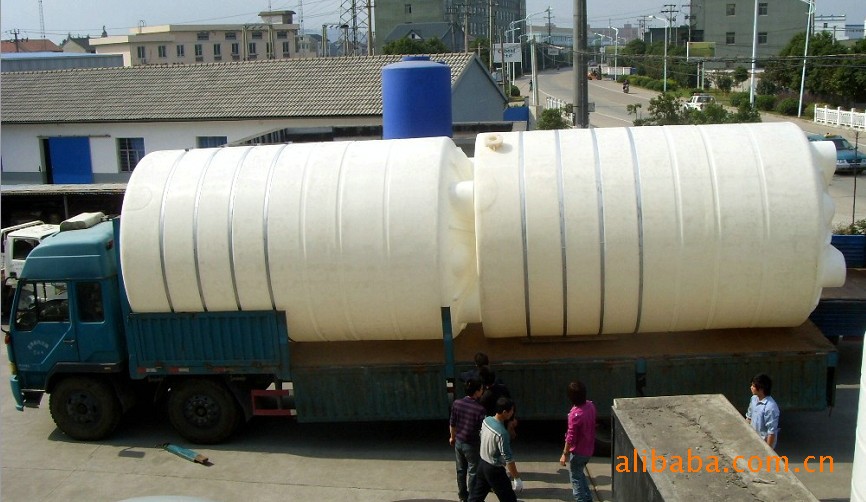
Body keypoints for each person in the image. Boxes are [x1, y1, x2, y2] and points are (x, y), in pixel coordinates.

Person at [469, 397, 521, 502]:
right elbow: (508, 458)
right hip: (494, 469)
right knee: (508, 498)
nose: (512, 413)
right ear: (505, 412)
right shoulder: (502, 433)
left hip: (482, 464)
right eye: (512, 411)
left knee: (476, 497)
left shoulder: (486, 421)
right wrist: (516, 478)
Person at [450, 378, 487, 502]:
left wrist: (452, 437)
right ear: (476, 392)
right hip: (471, 444)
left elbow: (452, 423)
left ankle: (462, 495)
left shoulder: (457, 403)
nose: (482, 391)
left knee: (460, 470)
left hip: (458, 442)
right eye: (481, 389)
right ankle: (472, 498)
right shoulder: (480, 409)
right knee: (473, 472)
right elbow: (482, 429)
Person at [559, 381, 596, 502]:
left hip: (578, 452)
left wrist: (564, 454)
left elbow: (570, 437)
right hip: (589, 450)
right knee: (580, 475)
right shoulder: (590, 406)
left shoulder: (574, 415)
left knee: (575, 479)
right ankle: (588, 499)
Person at [745, 373, 780, 448]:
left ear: (761, 389)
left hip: (762, 446)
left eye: (753, 386)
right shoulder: (753, 399)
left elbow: (771, 432)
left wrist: (768, 451)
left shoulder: (770, 407)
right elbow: (749, 418)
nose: (751, 387)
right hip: (752, 442)